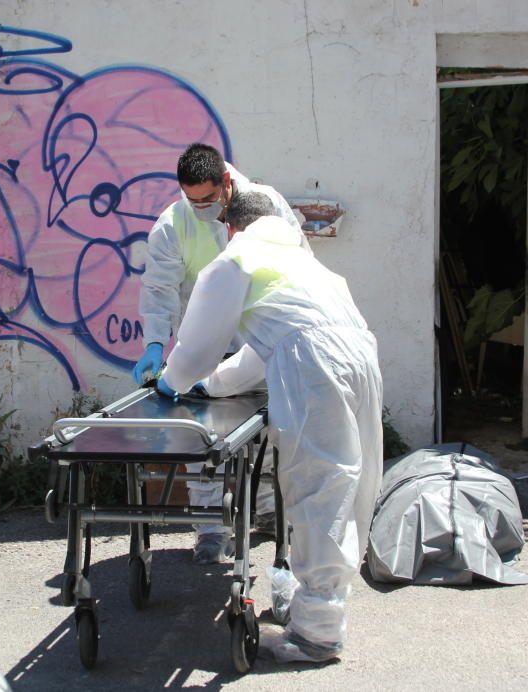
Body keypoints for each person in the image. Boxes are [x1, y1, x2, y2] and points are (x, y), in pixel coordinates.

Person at [155, 191, 383, 663]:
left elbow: (196, 347)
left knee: (317, 485)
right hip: (361, 356)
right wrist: (213, 386)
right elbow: (256, 355)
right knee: (346, 484)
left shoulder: (236, 259)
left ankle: (317, 637)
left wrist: (173, 382)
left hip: (314, 365)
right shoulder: (303, 265)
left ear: (232, 227)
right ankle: (320, 611)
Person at [133, 143, 307, 564]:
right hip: (209, 340)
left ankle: (266, 511)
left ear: (226, 184)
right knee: (200, 435)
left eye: (208, 200)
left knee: (268, 431)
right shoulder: (173, 224)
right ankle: (211, 526)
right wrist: (156, 342)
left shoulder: (266, 207)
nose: (200, 208)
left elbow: (299, 267)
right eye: (191, 200)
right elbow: (159, 287)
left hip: (260, 337)